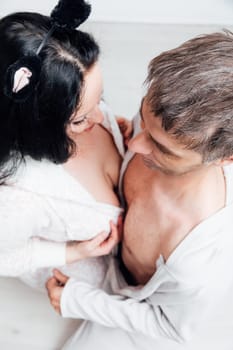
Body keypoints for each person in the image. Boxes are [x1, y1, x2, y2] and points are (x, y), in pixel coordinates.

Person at [47, 31, 233, 350]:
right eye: (143, 119)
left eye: (161, 147)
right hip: (101, 250)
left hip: (136, 306)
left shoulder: (199, 262)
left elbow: (171, 327)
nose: (135, 143)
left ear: (225, 159)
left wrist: (80, 300)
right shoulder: (165, 120)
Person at [0, 1, 124, 291]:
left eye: (100, 98)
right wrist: (72, 253)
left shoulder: (79, 100)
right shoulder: (16, 201)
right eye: (80, 119)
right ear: (38, 124)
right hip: (98, 281)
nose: (100, 115)